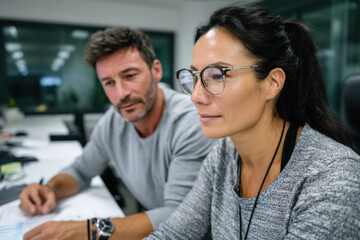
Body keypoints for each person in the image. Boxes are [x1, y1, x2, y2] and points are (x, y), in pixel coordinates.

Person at [145, 5, 360, 240]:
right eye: (195, 77)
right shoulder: (225, 155)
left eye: (217, 76)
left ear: (272, 83)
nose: (195, 96)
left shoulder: (333, 176)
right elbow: (172, 234)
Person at [18, 27, 216, 240]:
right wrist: (50, 190)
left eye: (130, 76)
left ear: (156, 70)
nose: (121, 94)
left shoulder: (191, 121)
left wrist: (88, 231)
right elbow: (81, 170)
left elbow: (179, 215)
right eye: (109, 83)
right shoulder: (113, 120)